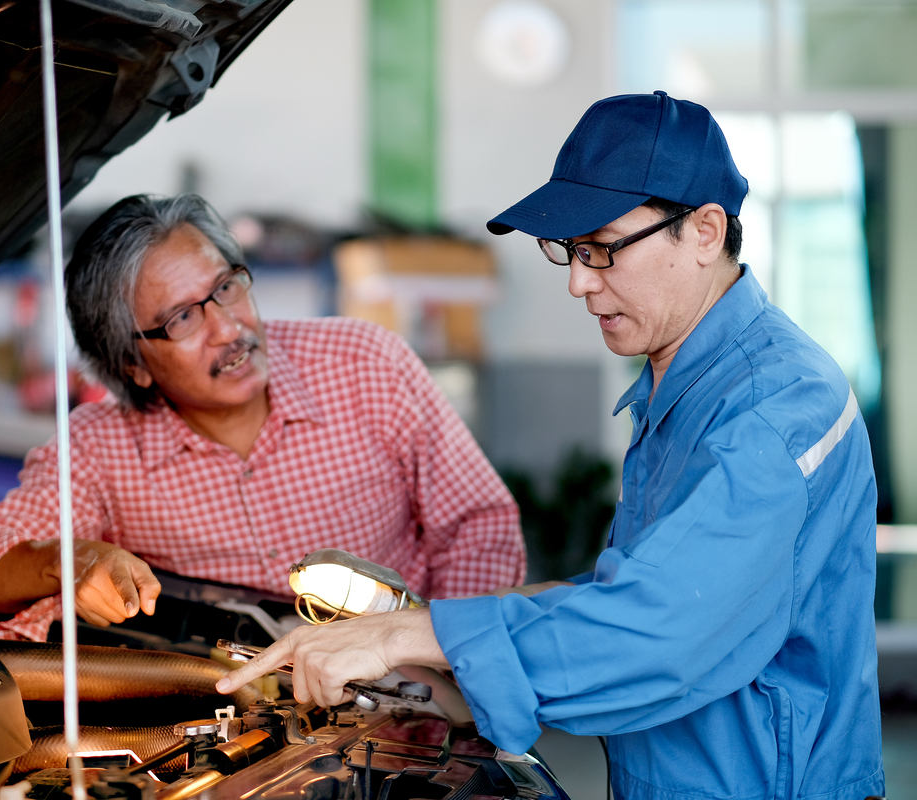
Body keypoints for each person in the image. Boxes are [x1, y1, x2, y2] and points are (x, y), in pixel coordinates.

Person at [218, 92, 884, 799]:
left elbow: (658, 629)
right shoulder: (688, 384)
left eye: (603, 249)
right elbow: (624, 590)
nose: (577, 281)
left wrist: (406, 639)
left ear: (705, 230)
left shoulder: (775, 408)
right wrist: (432, 649)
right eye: (568, 250)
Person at [0, 193, 525, 642]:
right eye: (182, 320)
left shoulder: (366, 365)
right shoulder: (100, 451)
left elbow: (479, 529)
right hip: (238, 733)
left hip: (410, 717)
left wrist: (445, 668)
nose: (228, 328)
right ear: (133, 364)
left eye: (226, 287)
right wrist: (71, 562)